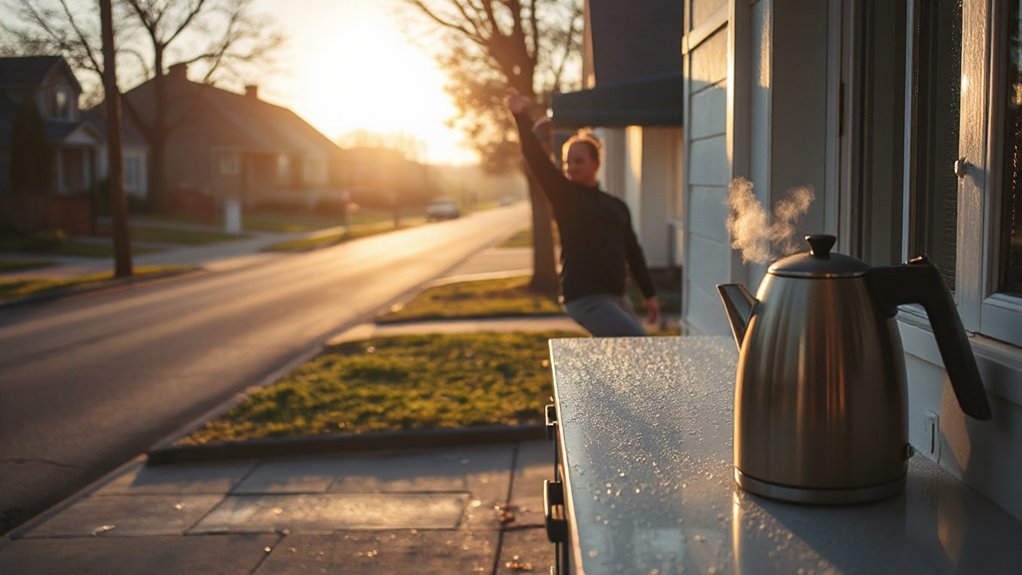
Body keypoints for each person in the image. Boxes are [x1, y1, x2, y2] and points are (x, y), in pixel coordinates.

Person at [507, 88, 660, 337]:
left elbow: (633, 252)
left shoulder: (616, 205)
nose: (571, 167)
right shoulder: (565, 197)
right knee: (639, 346)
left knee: (624, 360)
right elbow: (536, 159)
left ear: (596, 164)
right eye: (567, 161)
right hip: (585, 298)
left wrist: (649, 293)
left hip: (617, 297)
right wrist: (520, 118)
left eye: (579, 161)